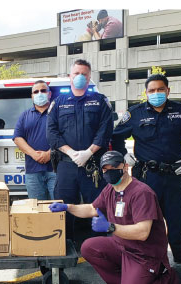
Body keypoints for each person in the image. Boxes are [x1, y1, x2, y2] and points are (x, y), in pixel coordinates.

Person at [111, 74, 181, 267]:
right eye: (151, 90)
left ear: (168, 91)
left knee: (175, 217)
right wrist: (123, 155)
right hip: (146, 177)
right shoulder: (135, 113)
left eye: (160, 89)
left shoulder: (180, 111)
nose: (156, 93)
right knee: (146, 219)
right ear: (146, 93)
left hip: (173, 176)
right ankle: (146, 256)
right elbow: (115, 137)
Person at [49, 151, 178, 284]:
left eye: (114, 168)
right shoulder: (111, 189)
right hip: (121, 246)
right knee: (89, 247)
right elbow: (92, 208)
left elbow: (143, 232)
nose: (109, 172)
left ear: (125, 167)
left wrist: (110, 227)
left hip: (144, 254)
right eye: (105, 169)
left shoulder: (142, 193)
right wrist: (68, 207)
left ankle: (171, 278)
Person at [47, 59, 113, 237]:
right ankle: (66, 246)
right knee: (64, 206)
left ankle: (97, 247)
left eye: (84, 74)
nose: (80, 77)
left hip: (93, 166)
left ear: (89, 76)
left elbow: (105, 130)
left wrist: (88, 152)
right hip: (66, 165)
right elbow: (52, 133)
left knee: (96, 206)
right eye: (76, 73)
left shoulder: (100, 101)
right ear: (70, 76)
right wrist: (70, 152)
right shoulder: (59, 103)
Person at [13, 80, 55, 200]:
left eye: (43, 90)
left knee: (59, 208)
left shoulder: (58, 113)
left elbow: (67, 137)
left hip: (56, 170)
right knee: (37, 210)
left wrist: (49, 154)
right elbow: (17, 138)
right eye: (36, 92)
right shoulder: (25, 115)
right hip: (33, 171)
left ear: (50, 93)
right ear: (32, 96)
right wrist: (34, 154)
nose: (39, 93)